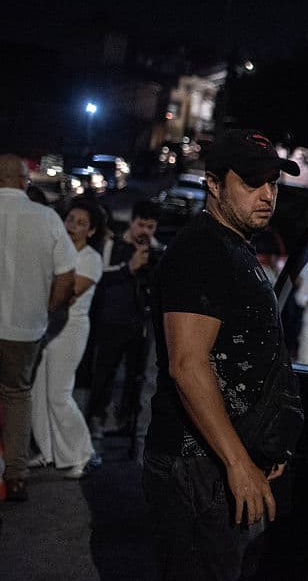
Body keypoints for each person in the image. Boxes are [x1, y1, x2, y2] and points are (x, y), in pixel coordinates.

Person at [142, 128, 300, 579]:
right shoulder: (201, 250)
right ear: (213, 183)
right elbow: (187, 365)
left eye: (273, 182)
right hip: (197, 466)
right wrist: (237, 462)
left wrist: (265, 441)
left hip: (221, 462)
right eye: (252, 182)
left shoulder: (232, 246)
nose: (267, 194)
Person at [0, 153, 76, 502]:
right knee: (17, 397)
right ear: (22, 180)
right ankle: (15, 476)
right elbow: (66, 275)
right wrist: (46, 307)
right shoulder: (46, 218)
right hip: (24, 329)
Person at [29, 198, 105, 479]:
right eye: (70, 219)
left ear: (92, 231)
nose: (72, 226)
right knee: (38, 393)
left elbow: (69, 292)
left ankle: (82, 453)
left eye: (81, 223)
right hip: (46, 326)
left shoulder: (91, 259)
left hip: (71, 329)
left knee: (59, 394)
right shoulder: (57, 250)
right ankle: (48, 451)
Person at [86, 199, 163, 447]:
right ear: (132, 222)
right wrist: (128, 267)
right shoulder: (113, 244)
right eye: (141, 225)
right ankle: (96, 419)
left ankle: (125, 419)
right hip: (112, 320)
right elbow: (99, 278)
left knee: (136, 376)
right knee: (105, 373)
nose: (145, 232)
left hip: (140, 324)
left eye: (150, 227)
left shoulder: (156, 251)